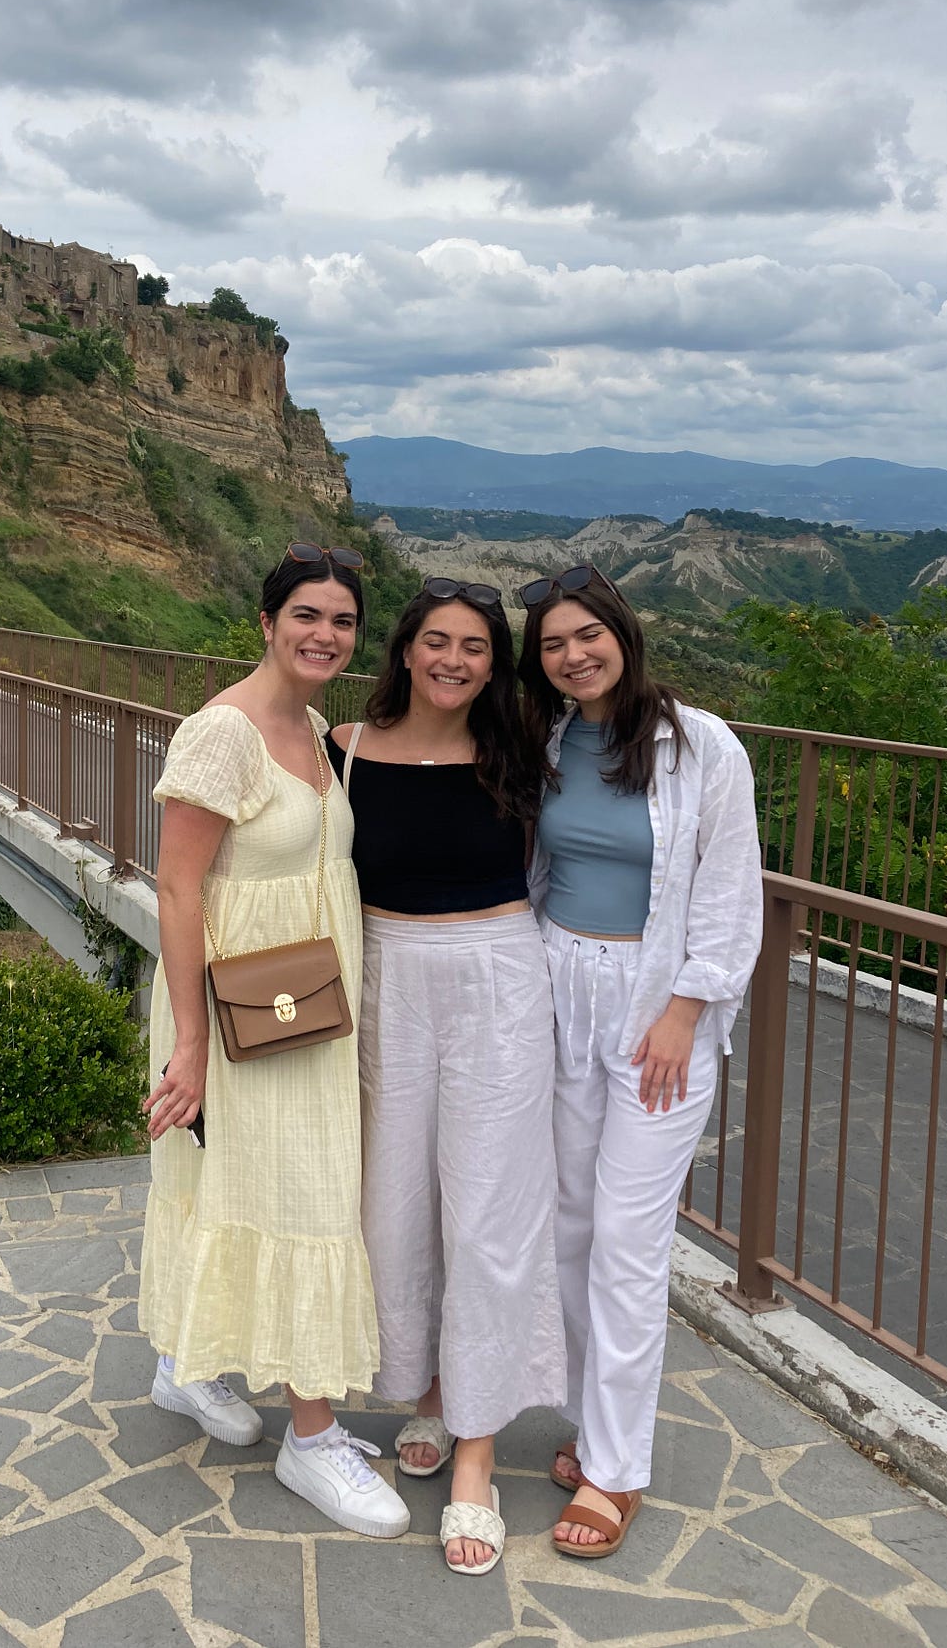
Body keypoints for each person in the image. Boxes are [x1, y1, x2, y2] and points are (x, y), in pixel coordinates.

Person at [142, 544, 410, 1540]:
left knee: (240, 1188)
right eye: (306, 615)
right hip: (240, 1013)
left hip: (303, 1010)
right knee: (299, 1198)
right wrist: (189, 1043)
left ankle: (186, 1361)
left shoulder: (309, 727)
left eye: (342, 621)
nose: (325, 635)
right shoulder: (222, 736)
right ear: (265, 621)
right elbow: (175, 888)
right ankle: (312, 1434)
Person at [517, 565, 762, 1560]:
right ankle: (595, 1427)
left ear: (621, 631)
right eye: (552, 644)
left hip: (657, 1011)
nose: (574, 655)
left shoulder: (700, 745)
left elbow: (730, 888)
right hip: (556, 991)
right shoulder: (542, 740)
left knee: (626, 1238)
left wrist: (685, 1007)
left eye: (588, 635)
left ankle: (618, 1473)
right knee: (570, 1228)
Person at [327, 579, 562, 1577]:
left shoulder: (519, 756)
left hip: (498, 982)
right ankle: (427, 1388)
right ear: (404, 649)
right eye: (436, 641)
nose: (454, 660)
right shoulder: (341, 750)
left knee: (486, 1216)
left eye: (474, 646)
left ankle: (475, 1457)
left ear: (494, 663)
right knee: (395, 1206)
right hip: (383, 980)